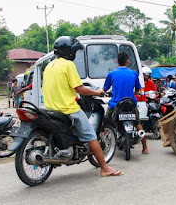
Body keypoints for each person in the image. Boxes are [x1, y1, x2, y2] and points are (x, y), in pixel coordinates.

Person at [42, 36, 123, 177]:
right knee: (91, 136)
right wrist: (96, 92)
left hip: (50, 108)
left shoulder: (49, 65)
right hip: (68, 109)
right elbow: (79, 88)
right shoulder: (68, 65)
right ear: (69, 52)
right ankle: (105, 168)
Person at [103, 52, 149, 154]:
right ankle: (145, 147)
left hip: (115, 105)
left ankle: (103, 146)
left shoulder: (111, 74)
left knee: (106, 123)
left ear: (117, 62)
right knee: (138, 124)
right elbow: (137, 90)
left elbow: (104, 89)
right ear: (128, 61)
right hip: (130, 104)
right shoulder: (133, 73)